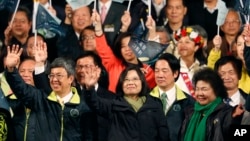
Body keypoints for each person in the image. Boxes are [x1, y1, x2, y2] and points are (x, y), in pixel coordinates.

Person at [5, 45, 94, 141]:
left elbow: (88, 136)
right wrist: (11, 69)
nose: (54, 79)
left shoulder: (82, 104)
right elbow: (20, 88)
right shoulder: (41, 99)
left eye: (59, 75)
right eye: (51, 76)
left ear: (70, 79)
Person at [84, 66, 169, 141]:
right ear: (121, 84)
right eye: (126, 80)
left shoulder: (154, 105)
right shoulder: (113, 105)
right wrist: (90, 88)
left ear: (142, 82)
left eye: (135, 79)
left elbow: (163, 135)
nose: (130, 83)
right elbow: (95, 103)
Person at [92, 10, 156, 93]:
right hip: (115, 104)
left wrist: (152, 31)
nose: (127, 49)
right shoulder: (114, 65)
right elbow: (102, 48)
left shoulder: (148, 70)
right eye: (123, 46)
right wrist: (97, 26)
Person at [180, 67, 244, 141]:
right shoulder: (190, 112)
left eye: (204, 89)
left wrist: (234, 118)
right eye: (197, 89)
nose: (200, 93)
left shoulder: (227, 113)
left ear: (216, 90)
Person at [150, 53, 195, 141]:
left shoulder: (189, 102)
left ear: (175, 73)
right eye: (157, 71)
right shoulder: (146, 99)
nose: (160, 75)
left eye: (164, 71)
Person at [75, 51, 116, 141]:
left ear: (98, 70)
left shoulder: (112, 98)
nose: (82, 70)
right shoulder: (69, 95)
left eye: (87, 66)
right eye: (79, 67)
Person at [214, 56, 250, 124]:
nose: (227, 77)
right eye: (222, 73)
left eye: (231, 72)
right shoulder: (211, 102)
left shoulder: (248, 101)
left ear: (239, 75)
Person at [174, 26, 206, 96]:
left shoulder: (203, 69)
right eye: (180, 42)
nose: (182, 45)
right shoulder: (173, 68)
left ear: (196, 47)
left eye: (187, 42)